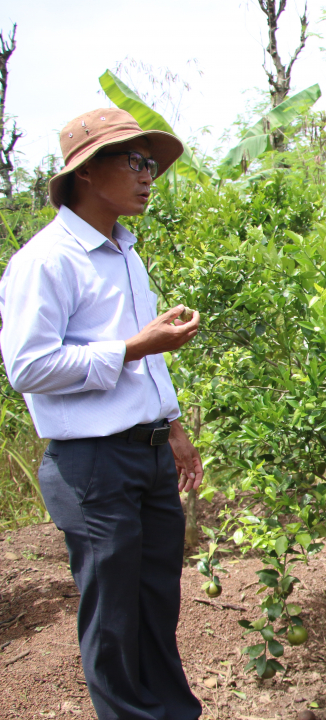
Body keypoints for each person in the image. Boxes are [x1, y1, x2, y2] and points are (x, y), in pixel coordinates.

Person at [0, 108, 204, 720]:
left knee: (154, 603)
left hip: (144, 454)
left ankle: (172, 712)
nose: (148, 176)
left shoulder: (124, 254)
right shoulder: (46, 261)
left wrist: (171, 424)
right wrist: (136, 347)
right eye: (134, 162)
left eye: (151, 165)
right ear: (88, 173)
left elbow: (145, 356)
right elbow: (28, 368)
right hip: (92, 464)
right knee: (113, 618)